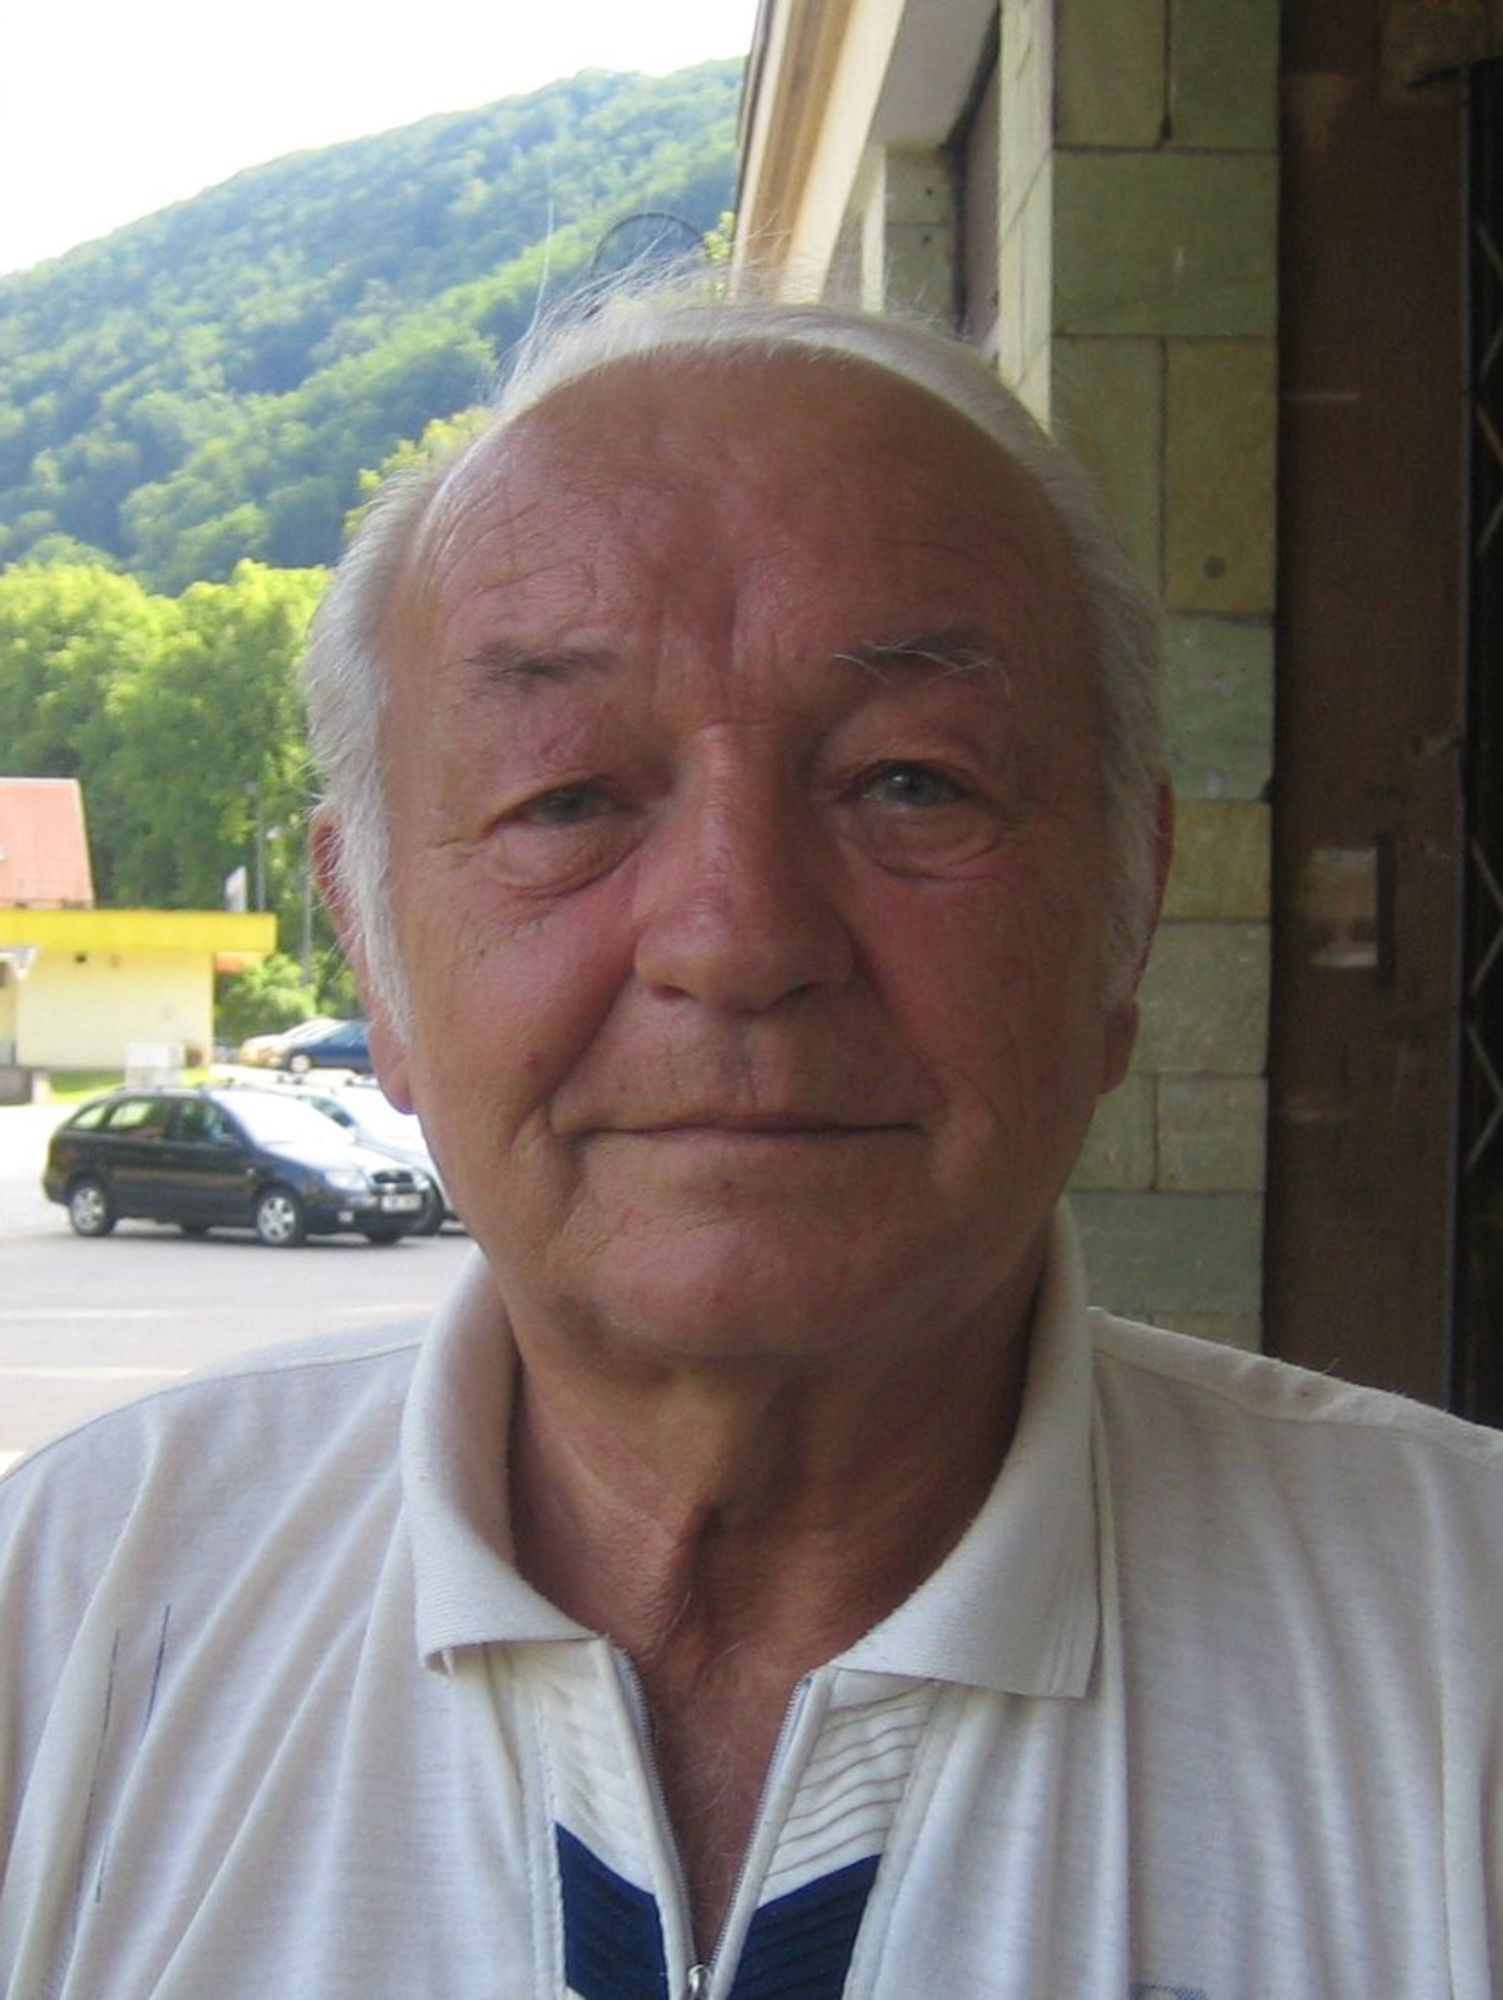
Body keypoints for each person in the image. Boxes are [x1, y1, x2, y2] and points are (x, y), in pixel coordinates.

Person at [1, 296, 1500, 2000]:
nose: (736, 936)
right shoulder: (73, 1619)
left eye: (912, 782)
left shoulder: (1462, 1663)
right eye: (568, 799)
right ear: (372, 943)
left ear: (1129, 909)